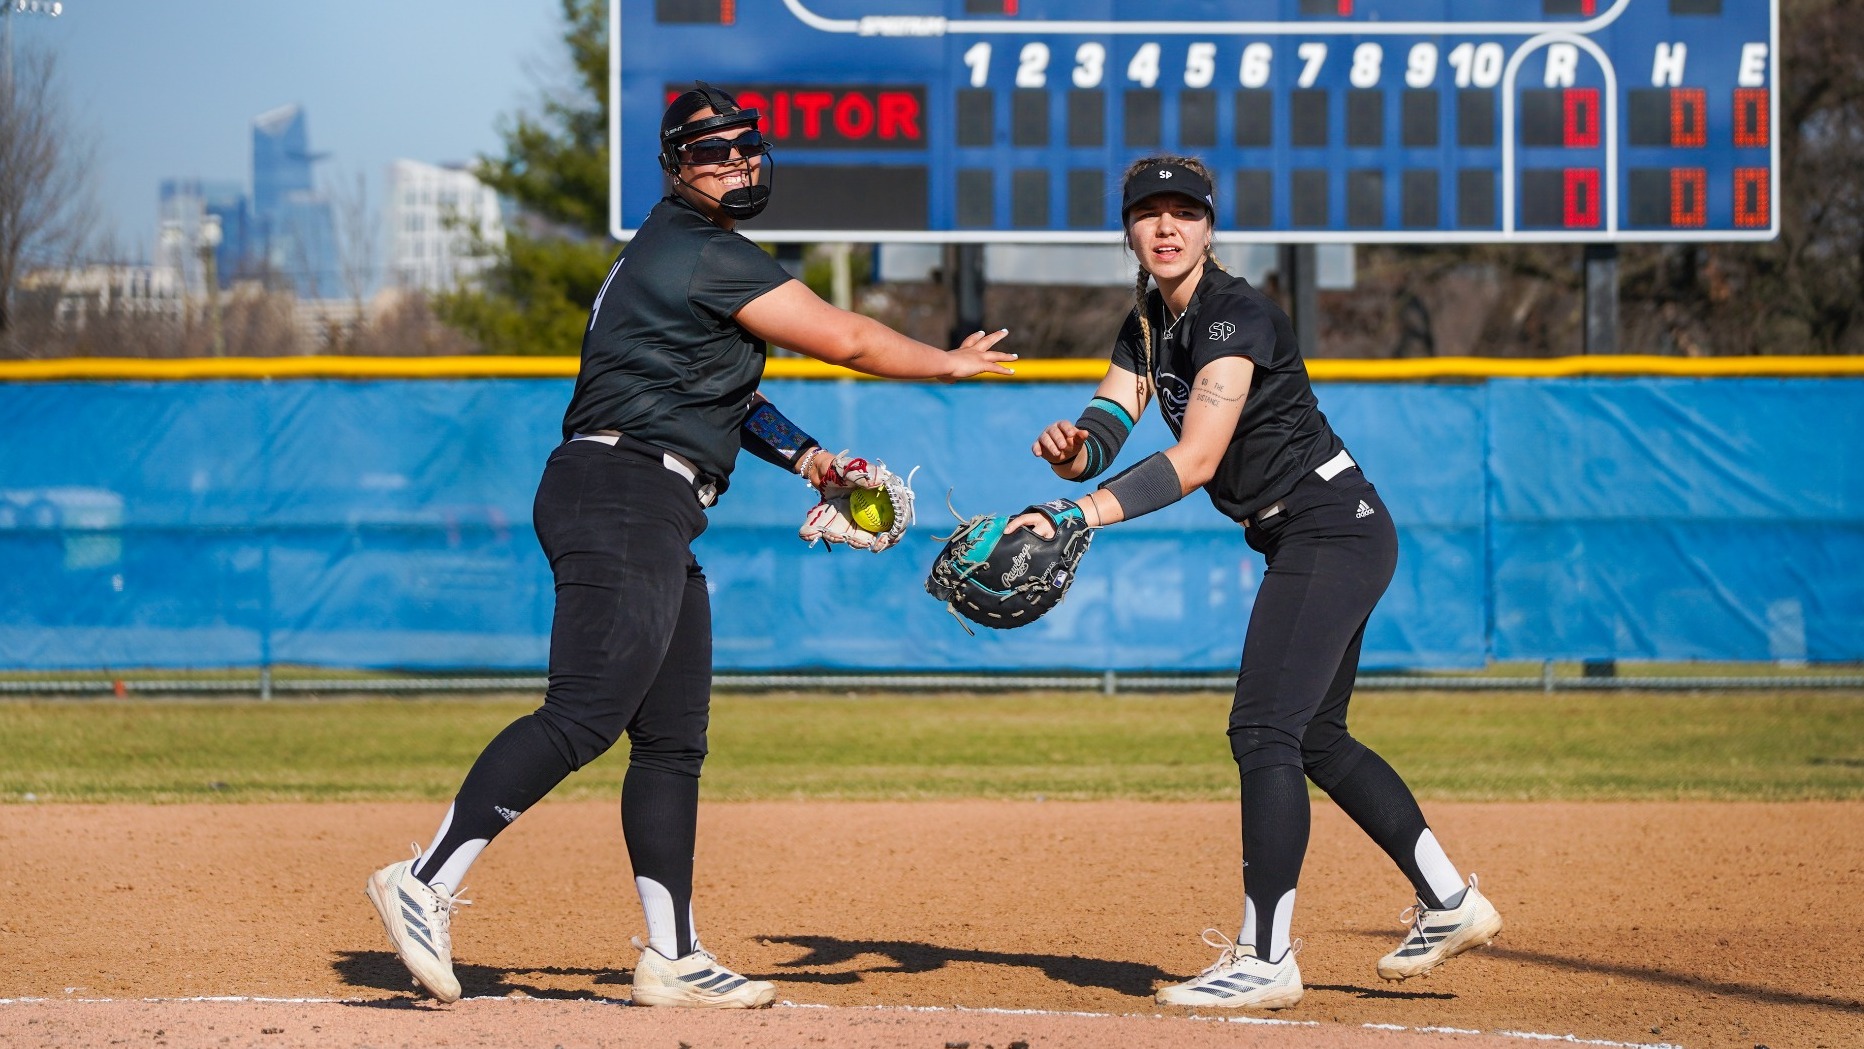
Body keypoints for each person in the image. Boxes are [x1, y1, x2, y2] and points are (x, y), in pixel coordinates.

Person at [364, 82, 1015, 1010]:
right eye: (712, 151)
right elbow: (848, 338)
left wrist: (811, 460)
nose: (735, 161)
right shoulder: (704, 248)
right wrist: (947, 360)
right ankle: (424, 878)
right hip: (624, 488)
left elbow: (729, 396)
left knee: (671, 740)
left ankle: (672, 954)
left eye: (745, 145)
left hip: (645, 496)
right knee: (585, 712)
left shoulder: (680, 254)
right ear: (676, 169)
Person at [1006, 155, 1500, 1010]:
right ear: (1127, 229)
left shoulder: (1236, 317)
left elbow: (1197, 459)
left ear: (1209, 227)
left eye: (1185, 212)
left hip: (1328, 527)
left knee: (1264, 728)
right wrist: (1073, 455)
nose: (1167, 227)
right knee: (1316, 738)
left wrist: (1078, 513)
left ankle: (1265, 957)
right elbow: (1107, 426)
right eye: (1149, 212)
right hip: (1317, 532)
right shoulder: (1147, 325)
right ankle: (1450, 899)